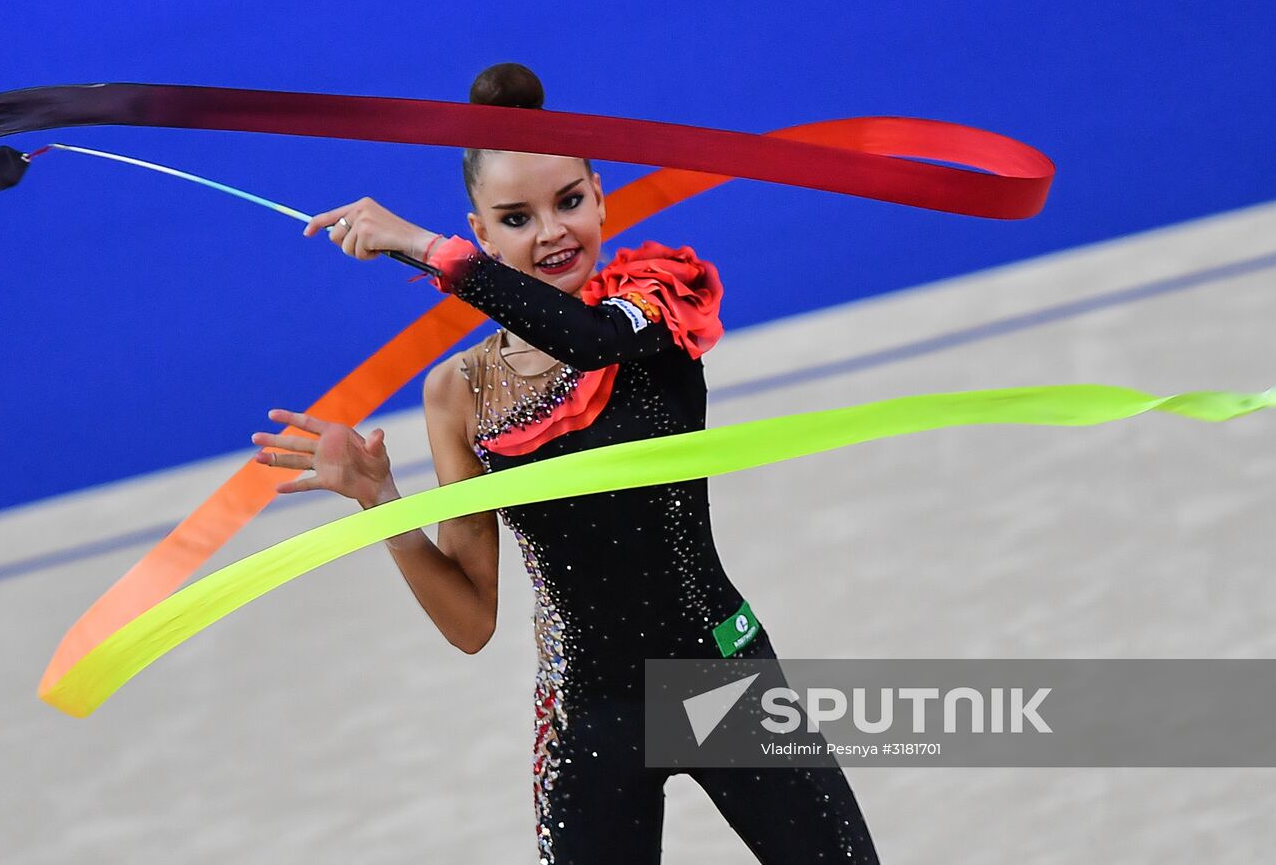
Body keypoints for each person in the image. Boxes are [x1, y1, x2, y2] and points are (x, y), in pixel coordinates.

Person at [252, 63, 879, 864]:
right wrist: (382, 500)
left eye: (569, 201)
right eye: (516, 217)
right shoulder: (456, 393)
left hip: (720, 678)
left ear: (601, 196)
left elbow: (589, 343)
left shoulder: (648, 299)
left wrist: (419, 247)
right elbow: (472, 621)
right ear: (480, 231)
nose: (551, 232)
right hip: (592, 713)